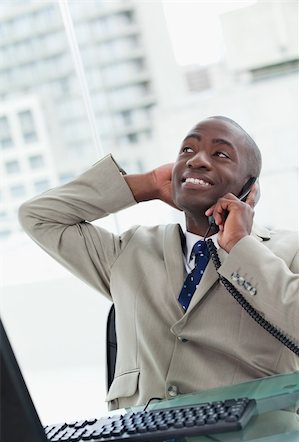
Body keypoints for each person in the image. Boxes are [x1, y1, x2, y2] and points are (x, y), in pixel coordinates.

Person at [19, 116, 299, 411]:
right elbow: (38, 216)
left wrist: (240, 247)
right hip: (146, 438)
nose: (197, 160)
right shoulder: (130, 250)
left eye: (220, 154)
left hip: (254, 438)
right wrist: (147, 185)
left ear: (250, 188)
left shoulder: (288, 251)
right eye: (187, 151)